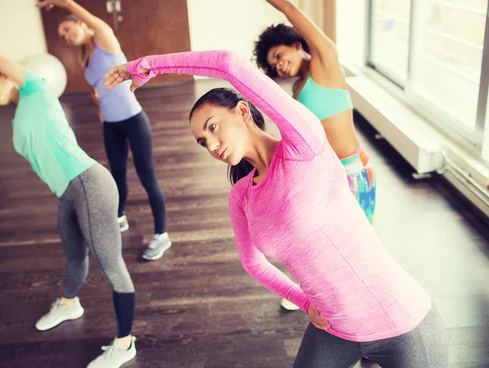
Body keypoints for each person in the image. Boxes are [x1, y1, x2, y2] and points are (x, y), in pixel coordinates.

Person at [103, 50, 449, 367]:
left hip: (400, 320)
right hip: (333, 326)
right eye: (202, 141)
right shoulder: (241, 196)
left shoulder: (303, 145)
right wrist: (302, 300)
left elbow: (227, 64)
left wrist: (146, 66)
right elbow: (252, 263)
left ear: (241, 111)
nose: (210, 143)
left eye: (212, 127)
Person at [0, 35, 137, 368]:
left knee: (112, 267)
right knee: (75, 255)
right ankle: (69, 303)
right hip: (67, 192)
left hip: (89, 184)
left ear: (6, 75)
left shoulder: (36, 88)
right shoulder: (19, 117)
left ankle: (124, 344)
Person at [228, 0, 377, 311]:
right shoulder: (296, 90)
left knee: (357, 254)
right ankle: (318, 297)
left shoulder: (326, 60)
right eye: (274, 63)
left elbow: (288, 8)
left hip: (353, 171)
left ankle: (370, 326)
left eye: (280, 55)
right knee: (323, 244)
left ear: (297, 44)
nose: (279, 64)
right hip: (327, 178)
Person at [36, 0, 171, 261]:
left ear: (80, 23)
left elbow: (73, 6)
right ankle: (119, 217)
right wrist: (99, 105)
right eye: (62, 35)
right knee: (117, 174)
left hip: (133, 120)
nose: (66, 36)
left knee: (148, 178)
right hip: (111, 124)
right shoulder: (85, 55)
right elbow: (99, 86)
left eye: (67, 29)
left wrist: (59, 2)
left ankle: (162, 235)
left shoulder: (105, 39)